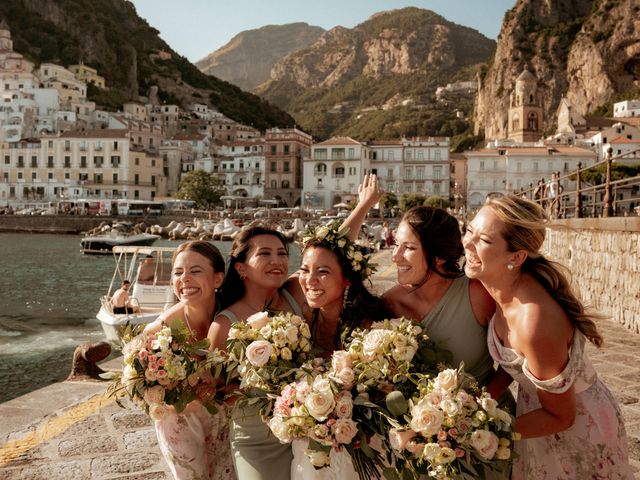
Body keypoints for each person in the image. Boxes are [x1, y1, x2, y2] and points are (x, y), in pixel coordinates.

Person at [462, 195, 633, 479]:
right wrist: (478, 401)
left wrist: (478, 433)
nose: (468, 243)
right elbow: (516, 364)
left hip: (577, 428)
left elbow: (562, 416)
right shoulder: (498, 288)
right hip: (540, 415)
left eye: (484, 240)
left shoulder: (533, 324)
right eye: (469, 230)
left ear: (516, 257)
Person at [343, 174, 499, 388]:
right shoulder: (390, 304)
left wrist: (481, 404)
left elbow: (515, 360)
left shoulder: (477, 294)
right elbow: (332, 257)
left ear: (441, 257)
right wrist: (363, 206)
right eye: (396, 244)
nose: (395, 256)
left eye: (409, 248)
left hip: (489, 413)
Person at [291, 222, 392, 479]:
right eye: (304, 270)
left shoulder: (370, 328)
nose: (310, 280)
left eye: (322, 272)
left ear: (347, 278)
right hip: (308, 452)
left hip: (361, 449)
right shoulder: (296, 324)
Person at [214, 221, 307, 480]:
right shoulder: (224, 324)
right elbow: (217, 391)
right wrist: (265, 391)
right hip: (257, 438)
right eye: (264, 253)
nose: (276, 260)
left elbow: (331, 255)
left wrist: (364, 205)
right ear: (241, 268)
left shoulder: (295, 293)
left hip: (309, 426)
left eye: (282, 253)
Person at [143, 240, 235, 480]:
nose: (184, 279)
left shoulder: (235, 318)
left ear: (217, 279)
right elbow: (141, 388)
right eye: (178, 272)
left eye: (195, 271)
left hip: (225, 416)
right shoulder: (160, 330)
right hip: (179, 420)